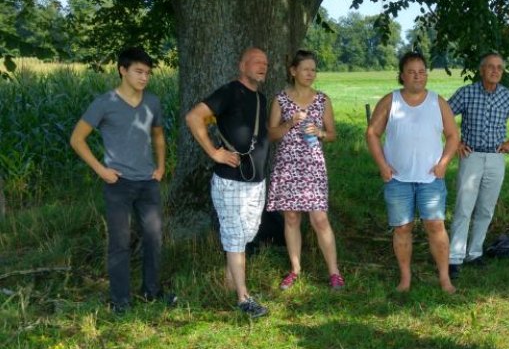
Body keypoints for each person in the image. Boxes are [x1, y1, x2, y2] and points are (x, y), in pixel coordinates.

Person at [70, 47, 176, 314]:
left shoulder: (152, 102)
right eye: (138, 71)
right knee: (119, 243)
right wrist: (100, 170)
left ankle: (152, 291)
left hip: (148, 182)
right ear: (122, 70)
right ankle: (120, 301)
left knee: (154, 238)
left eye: (148, 73)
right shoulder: (105, 103)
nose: (144, 77)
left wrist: (161, 167)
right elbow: (77, 139)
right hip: (118, 183)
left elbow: (158, 135)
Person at [185, 47, 271, 318]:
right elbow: (194, 117)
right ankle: (244, 299)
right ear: (242, 66)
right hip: (230, 181)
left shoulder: (261, 98)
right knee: (235, 236)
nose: (262, 66)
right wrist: (214, 152)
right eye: (256, 62)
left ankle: (229, 279)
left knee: (247, 233)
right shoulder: (229, 92)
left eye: (265, 63)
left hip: (256, 181)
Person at [366, 51, 460, 294]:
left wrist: (444, 163)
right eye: (411, 72)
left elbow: (453, 136)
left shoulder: (438, 102)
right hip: (397, 179)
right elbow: (372, 133)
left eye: (421, 72)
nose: (417, 76)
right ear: (402, 76)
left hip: (431, 178)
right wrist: (383, 166)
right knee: (402, 229)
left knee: (436, 226)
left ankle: (444, 279)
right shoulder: (391, 101)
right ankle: (405, 279)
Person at [448, 52, 509, 278]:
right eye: (490, 66)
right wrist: (455, 142)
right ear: (481, 70)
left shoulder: (506, 96)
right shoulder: (466, 93)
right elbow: (444, 115)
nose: (495, 71)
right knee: (464, 207)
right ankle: (454, 257)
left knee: (486, 208)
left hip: (496, 157)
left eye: (499, 67)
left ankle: (474, 253)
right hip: (471, 156)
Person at [265, 50, 344, 291]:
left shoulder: (322, 100)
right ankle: (295, 269)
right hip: (288, 165)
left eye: (313, 70)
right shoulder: (280, 100)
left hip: (313, 166)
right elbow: (271, 134)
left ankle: (334, 273)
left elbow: (332, 134)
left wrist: (319, 133)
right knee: (291, 218)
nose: (310, 74)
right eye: (306, 69)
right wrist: (290, 123)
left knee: (320, 219)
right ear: (293, 71)